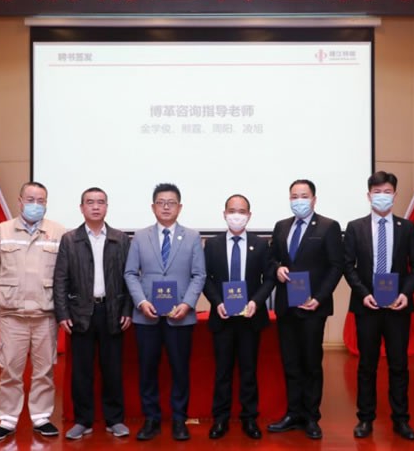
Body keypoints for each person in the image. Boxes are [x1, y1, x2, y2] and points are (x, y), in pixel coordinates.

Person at [0, 181, 67, 442]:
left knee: (44, 370)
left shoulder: (58, 232)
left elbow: (66, 275)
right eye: (30, 200)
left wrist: (64, 311)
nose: (35, 205)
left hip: (45, 314)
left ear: (46, 203)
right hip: (11, 314)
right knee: (10, 369)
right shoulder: (1, 231)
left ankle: (41, 417)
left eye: (41, 201)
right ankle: (7, 419)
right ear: (20, 201)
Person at [342, 171, 414, 441]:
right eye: (376, 192)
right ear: (368, 196)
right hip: (367, 306)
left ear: (395, 195)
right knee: (367, 365)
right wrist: (363, 293)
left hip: (398, 307)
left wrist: (406, 294)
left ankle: (401, 420)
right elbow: (348, 266)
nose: (382, 196)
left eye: (387, 192)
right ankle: (365, 418)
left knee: (399, 365)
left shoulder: (407, 228)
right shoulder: (355, 227)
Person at [124, 183, 206, 441]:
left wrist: (187, 304)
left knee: (180, 369)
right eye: (161, 202)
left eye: (171, 203)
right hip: (146, 315)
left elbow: (199, 275)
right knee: (147, 369)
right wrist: (141, 302)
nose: (166, 207)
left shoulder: (192, 237)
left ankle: (180, 419)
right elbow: (130, 273)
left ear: (179, 207)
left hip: (180, 316)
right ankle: (151, 419)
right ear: (153, 207)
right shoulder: (140, 237)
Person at [266, 179, 344, 440]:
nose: (298, 200)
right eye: (294, 196)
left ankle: (311, 417)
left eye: (303, 196)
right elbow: (271, 259)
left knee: (311, 363)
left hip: (312, 307)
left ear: (314, 199)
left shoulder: (328, 226)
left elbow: (336, 266)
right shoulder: (281, 226)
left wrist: (319, 298)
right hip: (286, 306)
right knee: (290, 362)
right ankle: (293, 413)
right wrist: (277, 268)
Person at [53, 187, 132, 440]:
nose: (95, 207)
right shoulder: (70, 240)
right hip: (81, 313)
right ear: (81, 208)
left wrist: (127, 309)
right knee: (82, 371)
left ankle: (115, 420)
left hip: (112, 311)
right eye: (90, 202)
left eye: (100, 202)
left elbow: (130, 277)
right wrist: (62, 313)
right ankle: (82, 421)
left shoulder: (121, 239)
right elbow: (60, 280)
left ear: (107, 207)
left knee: (112, 369)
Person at [202, 194, 275, 440]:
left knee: (248, 370)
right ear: (224, 214)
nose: (236, 215)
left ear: (249, 216)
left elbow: (269, 278)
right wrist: (217, 302)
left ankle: (249, 418)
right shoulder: (212, 245)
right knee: (222, 371)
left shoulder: (260, 244)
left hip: (250, 318)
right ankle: (220, 419)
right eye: (232, 211)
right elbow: (205, 279)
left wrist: (256, 302)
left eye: (241, 211)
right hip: (222, 317)